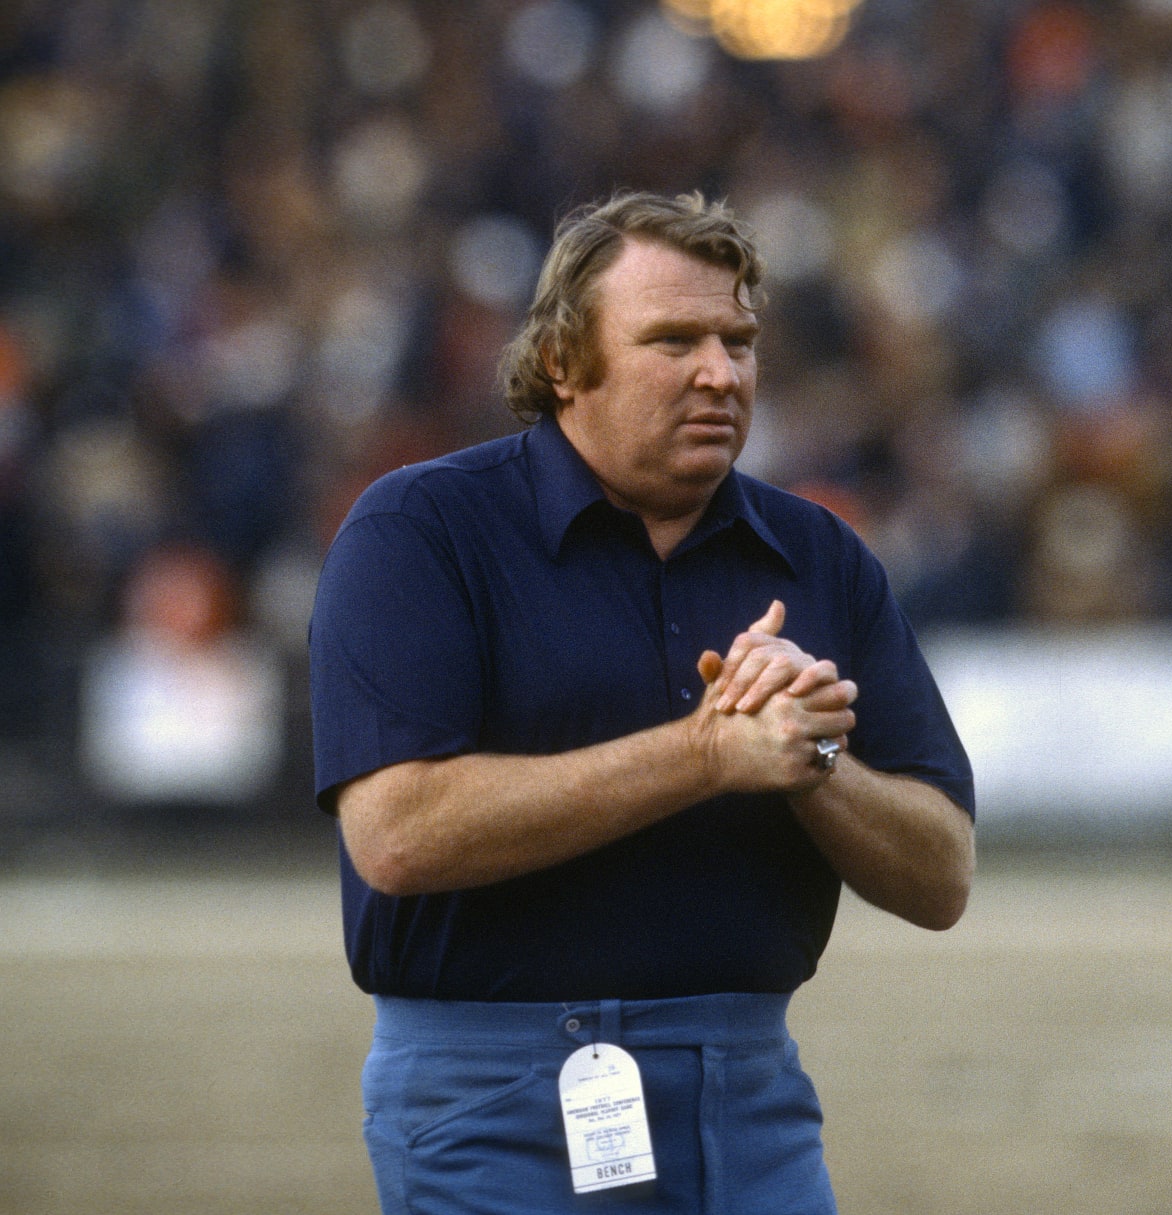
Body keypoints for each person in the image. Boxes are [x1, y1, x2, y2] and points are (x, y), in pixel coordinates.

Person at [308, 190, 976, 1214]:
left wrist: (810, 760)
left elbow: (942, 877)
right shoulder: (421, 529)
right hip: (494, 1102)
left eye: (738, 341)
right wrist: (706, 754)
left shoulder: (819, 554)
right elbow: (398, 835)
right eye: (673, 341)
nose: (721, 372)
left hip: (751, 1098)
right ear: (563, 360)